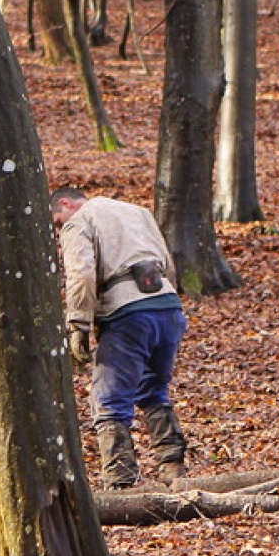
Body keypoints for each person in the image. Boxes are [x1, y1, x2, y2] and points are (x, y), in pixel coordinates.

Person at [50, 186, 189, 488]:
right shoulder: (137, 212)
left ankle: (120, 481)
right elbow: (167, 262)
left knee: (109, 399)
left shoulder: (79, 221)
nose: (60, 229)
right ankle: (173, 467)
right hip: (167, 306)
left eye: (57, 221)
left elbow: (81, 274)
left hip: (127, 313)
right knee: (153, 389)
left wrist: (78, 325)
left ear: (65, 204)